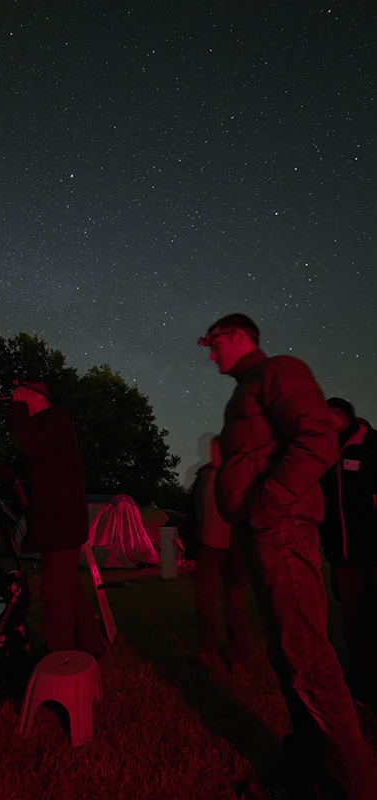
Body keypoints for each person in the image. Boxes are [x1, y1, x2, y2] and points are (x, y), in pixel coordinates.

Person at [198, 314, 374, 800]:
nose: (210, 354)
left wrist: (265, 509)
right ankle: (308, 777)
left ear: (238, 335)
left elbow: (317, 437)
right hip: (266, 533)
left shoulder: (278, 369)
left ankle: (352, 789)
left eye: (214, 343)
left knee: (310, 661)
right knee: (287, 657)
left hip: (283, 528)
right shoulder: (249, 387)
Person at [7, 380, 106, 657]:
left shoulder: (57, 422)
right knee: (68, 589)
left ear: (38, 396)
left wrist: (16, 408)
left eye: (23, 392)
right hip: (56, 524)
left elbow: (29, 446)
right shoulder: (42, 427)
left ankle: (59, 660)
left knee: (54, 595)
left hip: (61, 525)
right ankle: (91, 644)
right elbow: (19, 467)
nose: (17, 396)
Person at [319, 397, 377, 710]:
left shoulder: (372, 445)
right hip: (343, 557)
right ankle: (364, 688)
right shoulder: (327, 453)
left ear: (349, 416)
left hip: (373, 552)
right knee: (355, 624)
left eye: (336, 415)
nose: (332, 421)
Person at [190, 436, 250, 672]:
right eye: (212, 449)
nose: (213, 453)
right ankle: (207, 648)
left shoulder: (238, 475)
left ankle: (237, 654)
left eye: (218, 449)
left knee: (235, 604)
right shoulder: (204, 476)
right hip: (207, 547)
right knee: (203, 601)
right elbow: (194, 509)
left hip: (233, 549)